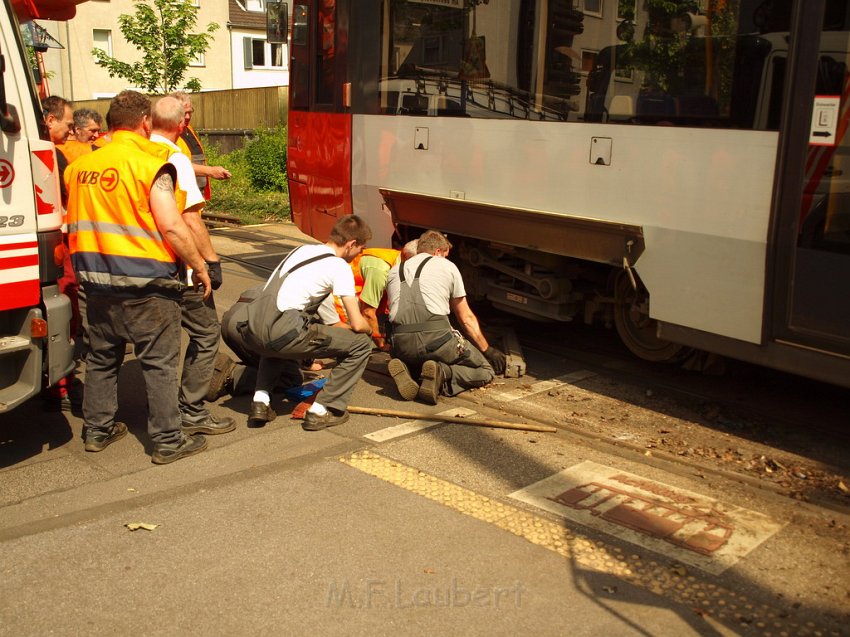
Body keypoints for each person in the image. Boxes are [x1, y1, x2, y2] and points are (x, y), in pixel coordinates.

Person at [65, 90, 212, 464]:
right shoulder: (151, 165)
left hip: (95, 281)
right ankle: (167, 440)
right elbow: (172, 226)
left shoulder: (79, 167)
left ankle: (97, 430)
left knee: (101, 356)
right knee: (160, 361)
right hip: (146, 282)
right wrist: (199, 264)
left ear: (111, 122)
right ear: (145, 122)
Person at [229, 215, 374, 430]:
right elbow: (356, 323)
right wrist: (370, 328)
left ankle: (261, 401)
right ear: (351, 244)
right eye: (360, 248)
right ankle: (324, 409)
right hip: (281, 329)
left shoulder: (301, 251)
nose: (359, 254)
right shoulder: (338, 266)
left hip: (252, 327)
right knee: (361, 344)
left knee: (277, 343)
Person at [149, 96, 235, 436]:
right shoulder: (175, 157)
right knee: (205, 332)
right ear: (181, 124)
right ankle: (193, 411)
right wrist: (209, 263)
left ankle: (161, 406)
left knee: (160, 343)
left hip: (142, 264)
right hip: (179, 266)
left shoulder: (134, 153)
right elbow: (189, 220)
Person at [386, 230, 506, 404]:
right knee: (484, 369)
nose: (446, 259)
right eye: (445, 255)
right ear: (437, 252)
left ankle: (409, 368)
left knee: (417, 353)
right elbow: (466, 317)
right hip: (437, 341)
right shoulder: (447, 267)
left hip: (400, 344)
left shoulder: (395, 270)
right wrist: (488, 350)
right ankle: (443, 374)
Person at [42, 95, 80, 411]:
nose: (71, 131)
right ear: (49, 120)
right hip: (58, 244)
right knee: (64, 308)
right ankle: (61, 388)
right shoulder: (50, 156)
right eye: (68, 124)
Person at [169, 91, 231, 200]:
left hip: (196, 191)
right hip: (182, 194)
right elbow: (177, 165)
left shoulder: (189, 129)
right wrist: (210, 171)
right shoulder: (169, 133)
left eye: (190, 112)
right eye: (184, 113)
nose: (188, 117)